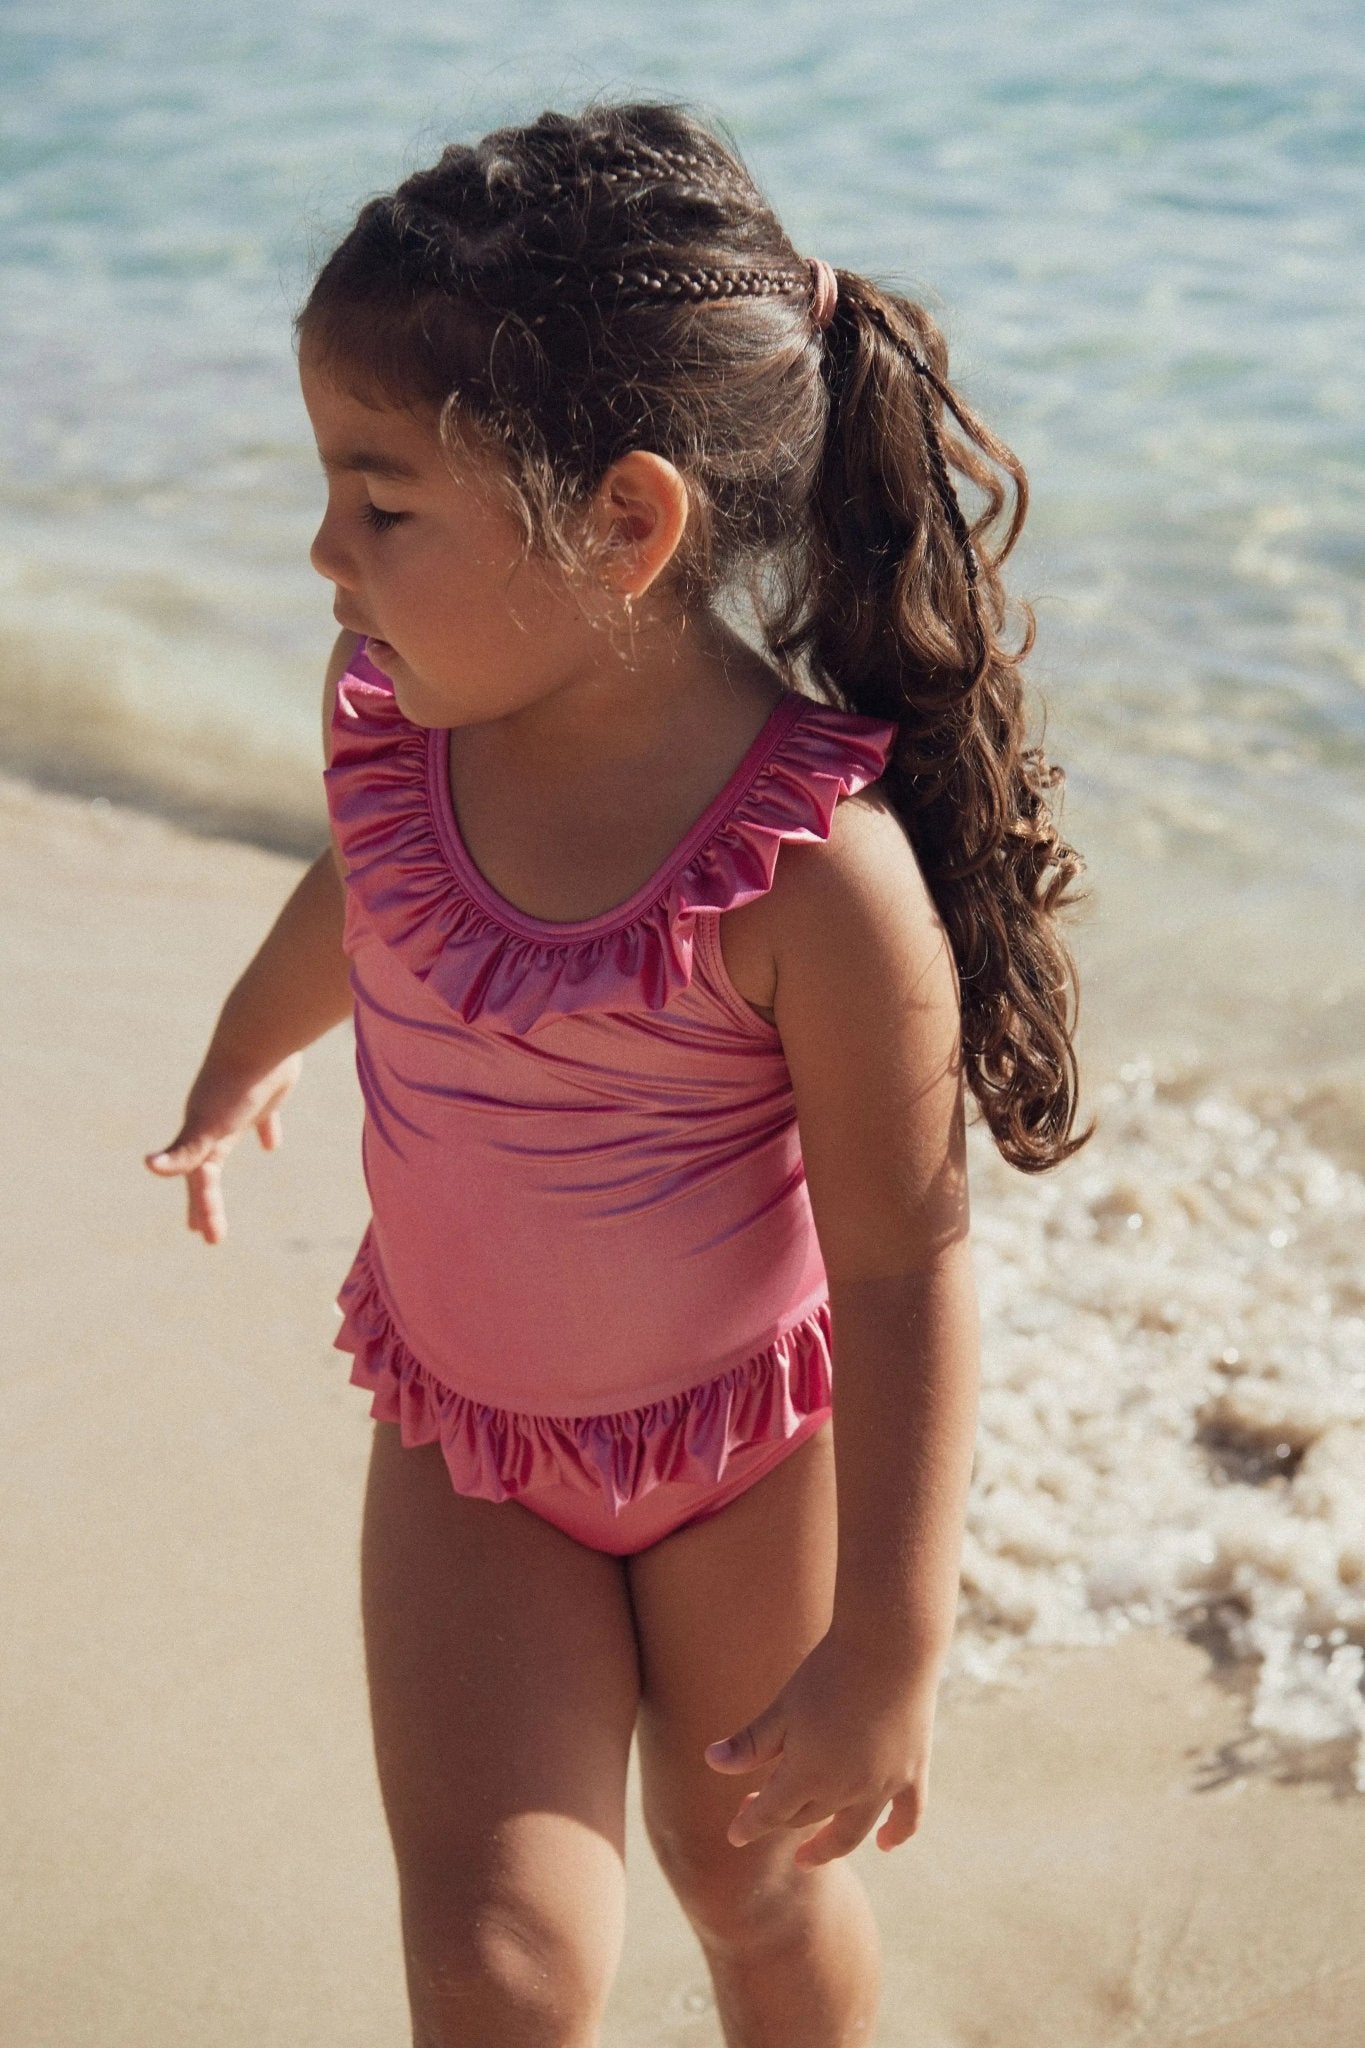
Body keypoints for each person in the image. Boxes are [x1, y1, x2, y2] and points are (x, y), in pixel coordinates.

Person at [146, 99, 1092, 2048]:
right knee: (492, 1971)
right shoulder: (405, 728)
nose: (324, 551)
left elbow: (909, 1268)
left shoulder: (812, 875)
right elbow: (372, 902)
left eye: (381, 499)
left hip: (745, 1463)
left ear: (624, 520)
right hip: (467, 1449)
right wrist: (247, 1050)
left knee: (748, 1887)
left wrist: (891, 1649)